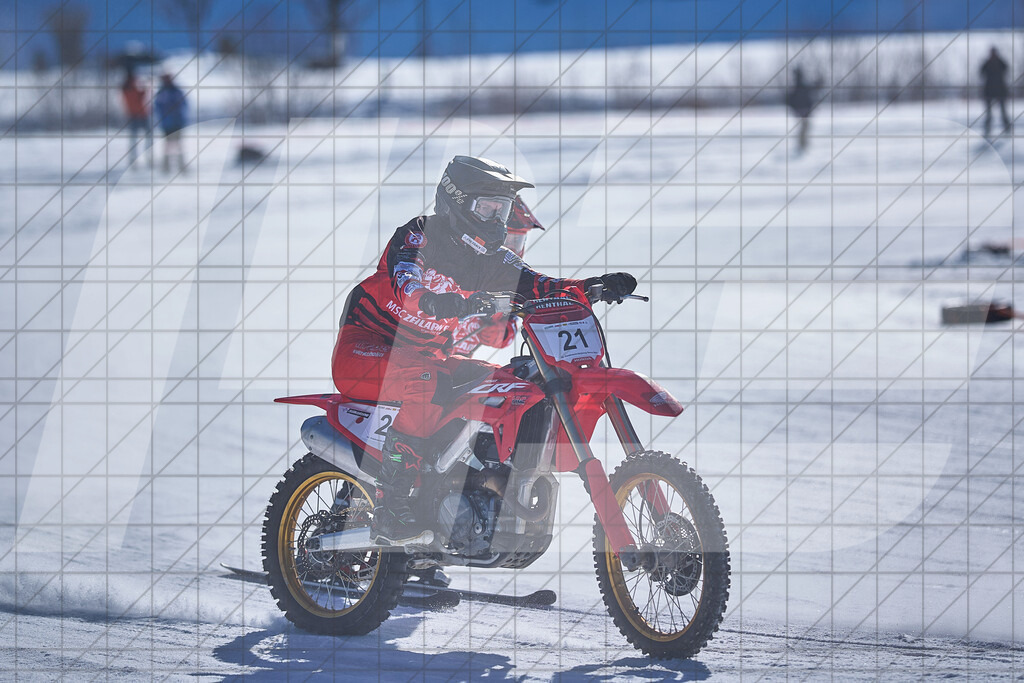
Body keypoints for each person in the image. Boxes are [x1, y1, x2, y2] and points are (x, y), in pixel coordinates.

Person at [331, 156, 637, 545]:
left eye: (503, 210)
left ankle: (449, 495)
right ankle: (390, 510)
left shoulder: (491, 259)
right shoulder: (419, 234)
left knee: (503, 383)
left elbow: (542, 285)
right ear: (456, 203)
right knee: (424, 385)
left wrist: (594, 286)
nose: (496, 221)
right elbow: (405, 280)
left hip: (428, 358)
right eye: (487, 208)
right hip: (367, 348)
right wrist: (433, 301)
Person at [154, 73, 188, 173]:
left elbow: (183, 104)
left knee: (178, 145)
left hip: (176, 122)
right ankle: (166, 167)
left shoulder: (176, 91)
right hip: (167, 123)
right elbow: (157, 108)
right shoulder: (161, 93)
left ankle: (181, 166)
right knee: (168, 146)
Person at [121, 71, 152, 166]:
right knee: (147, 137)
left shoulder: (126, 90)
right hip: (140, 115)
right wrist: (147, 84)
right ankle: (146, 157)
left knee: (134, 139)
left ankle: (134, 158)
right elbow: (141, 95)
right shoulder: (131, 90)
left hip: (133, 115)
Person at [981, 46, 1011, 138]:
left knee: (1003, 111)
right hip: (989, 91)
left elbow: (1006, 69)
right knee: (989, 113)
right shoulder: (986, 63)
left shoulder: (1001, 62)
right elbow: (981, 72)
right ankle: (987, 129)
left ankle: (1007, 129)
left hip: (1000, 90)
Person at [786, 67, 815, 153]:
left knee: (804, 129)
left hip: (803, 111)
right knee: (803, 129)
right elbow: (791, 100)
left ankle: (803, 145)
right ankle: (802, 146)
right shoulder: (800, 86)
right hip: (803, 111)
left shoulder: (798, 86)